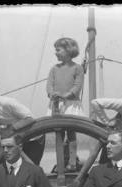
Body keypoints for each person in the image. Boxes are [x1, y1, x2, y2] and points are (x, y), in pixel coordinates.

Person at [0, 77, 44, 182]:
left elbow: (30, 118)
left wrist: (11, 129)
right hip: (15, 142)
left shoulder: (7, 103)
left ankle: (40, 182)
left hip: (33, 140)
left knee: (30, 173)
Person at [46, 37, 85, 172]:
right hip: (56, 105)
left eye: (58, 50)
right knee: (59, 135)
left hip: (71, 104)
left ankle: (72, 162)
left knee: (71, 133)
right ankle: (60, 163)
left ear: (68, 50)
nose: (55, 53)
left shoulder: (77, 68)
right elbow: (49, 86)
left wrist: (65, 95)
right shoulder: (54, 69)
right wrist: (53, 95)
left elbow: (77, 87)